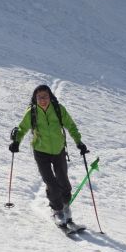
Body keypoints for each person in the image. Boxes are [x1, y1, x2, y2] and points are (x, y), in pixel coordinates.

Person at [9, 85, 88, 227]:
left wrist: (79, 142)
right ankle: (57, 211)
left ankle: (66, 207)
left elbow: (71, 125)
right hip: (41, 152)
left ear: (50, 96)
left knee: (64, 183)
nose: (42, 100)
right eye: (39, 97)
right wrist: (16, 142)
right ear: (35, 98)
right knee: (51, 184)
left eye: (45, 96)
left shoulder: (58, 109)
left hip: (59, 150)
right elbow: (22, 128)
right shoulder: (32, 113)